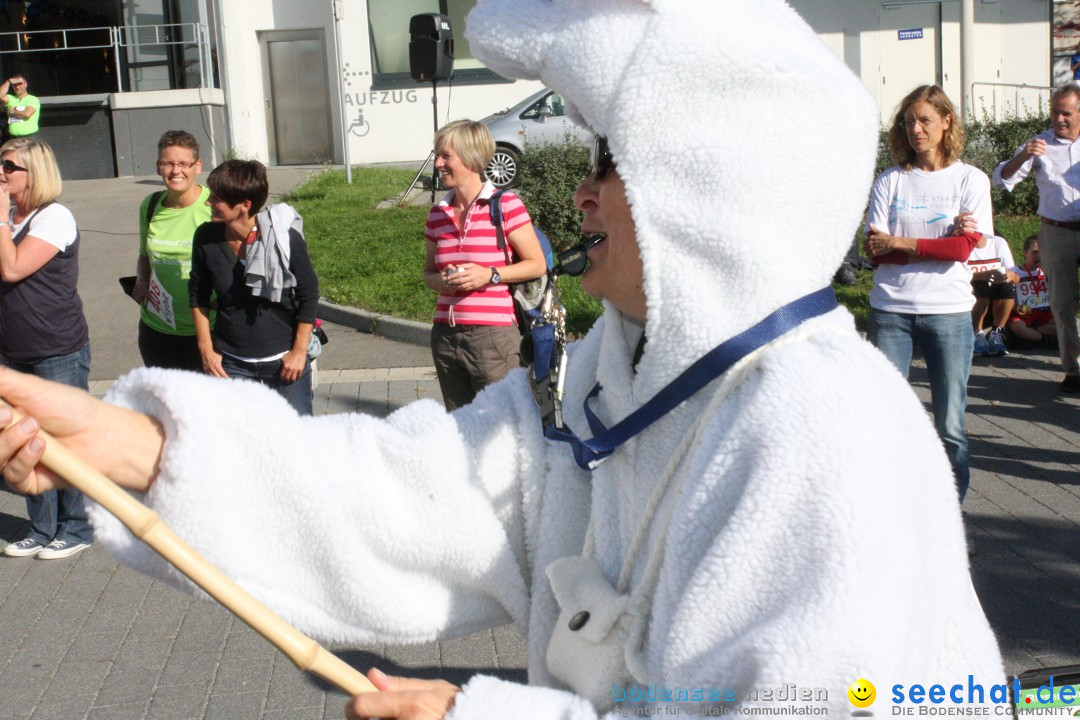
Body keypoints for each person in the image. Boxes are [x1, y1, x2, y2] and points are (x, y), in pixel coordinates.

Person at [0, 1, 1005, 717]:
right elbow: (411, 496)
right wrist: (130, 447)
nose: (584, 196)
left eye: (610, 162)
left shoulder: (828, 431)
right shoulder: (624, 380)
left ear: (711, 183)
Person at [864, 84, 992, 501]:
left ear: (946, 122)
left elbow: (960, 251)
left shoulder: (970, 179)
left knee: (950, 425)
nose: (916, 129)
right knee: (886, 417)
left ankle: (952, 517)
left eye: (924, 120)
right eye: (908, 122)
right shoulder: (890, 181)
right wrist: (934, 245)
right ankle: (893, 509)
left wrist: (901, 243)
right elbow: (875, 253)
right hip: (891, 311)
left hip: (949, 312)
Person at [0, 137, 92, 560]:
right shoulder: (10, 216)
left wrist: (1, 220)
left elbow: (13, 267)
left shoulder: (54, 217)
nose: (1, 173)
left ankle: (76, 527)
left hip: (55, 346)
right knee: (23, 439)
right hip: (11, 347)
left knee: (64, 438)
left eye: (8, 166)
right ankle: (40, 527)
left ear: (34, 173)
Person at [422, 119, 546, 410]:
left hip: (492, 336)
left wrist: (489, 275)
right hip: (445, 335)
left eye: (445, 155)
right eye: (437, 155)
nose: (438, 163)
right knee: (461, 427)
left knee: (502, 426)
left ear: (470, 156)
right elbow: (428, 272)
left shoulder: (505, 206)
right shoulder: (437, 214)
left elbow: (536, 264)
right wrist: (438, 281)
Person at [188, 159, 319, 415]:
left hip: (284, 361)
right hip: (232, 364)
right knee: (240, 438)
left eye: (216, 198)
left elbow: (309, 294)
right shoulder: (206, 237)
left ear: (244, 206)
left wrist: (298, 353)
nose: (207, 202)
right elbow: (197, 295)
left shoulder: (284, 240)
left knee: (297, 435)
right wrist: (206, 351)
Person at [993, 84, 1080, 393]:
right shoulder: (1039, 143)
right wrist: (1022, 157)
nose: (1059, 119)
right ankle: (1072, 369)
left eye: (1066, 113)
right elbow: (1002, 178)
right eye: (1055, 112)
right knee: (1061, 300)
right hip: (1056, 231)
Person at [132, 130, 211, 371]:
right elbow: (145, 254)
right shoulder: (150, 205)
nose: (176, 171)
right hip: (158, 329)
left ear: (197, 166)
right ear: (158, 167)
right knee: (166, 405)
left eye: (183, 164)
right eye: (168, 164)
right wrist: (142, 279)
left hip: (209, 330)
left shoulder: (214, 206)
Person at [968, 234, 1018, 358]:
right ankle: (976, 334)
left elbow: (1017, 278)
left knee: (1007, 285)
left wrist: (1010, 276)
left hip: (994, 302)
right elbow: (954, 276)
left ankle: (996, 333)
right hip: (970, 300)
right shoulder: (962, 244)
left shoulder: (998, 243)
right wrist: (981, 275)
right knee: (981, 284)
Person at [1008, 235, 1056, 347]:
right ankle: (1043, 339)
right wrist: (1017, 309)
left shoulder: (1047, 271)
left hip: (1044, 312)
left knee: (1061, 324)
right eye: (1034, 252)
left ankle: (1034, 334)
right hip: (1025, 311)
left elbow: (1056, 289)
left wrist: (1046, 271)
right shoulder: (1015, 271)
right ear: (1025, 253)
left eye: (1041, 252)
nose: (1038, 255)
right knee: (1017, 327)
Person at [0, 76, 39, 142]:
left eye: (20, 84)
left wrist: (12, 112)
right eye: (15, 84)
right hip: (13, 138)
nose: (17, 87)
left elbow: (27, 114)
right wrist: (8, 81)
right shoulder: (12, 99)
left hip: (29, 137)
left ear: (25, 84)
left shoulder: (32, 99)